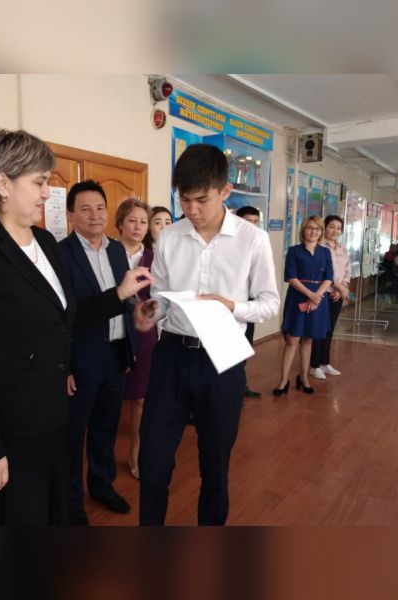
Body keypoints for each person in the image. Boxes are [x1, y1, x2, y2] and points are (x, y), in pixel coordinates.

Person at [0, 130, 151, 525]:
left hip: (48, 417)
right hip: (1, 426)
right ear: (2, 183)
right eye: (40, 182)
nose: (48, 193)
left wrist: (119, 294)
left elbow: (67, 316)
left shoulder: (45, 243)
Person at [134, 144, 279, 525]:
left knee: (214, 468)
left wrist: (232, 306)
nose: (192, 210)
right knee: (152, 463)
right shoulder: (169, 237)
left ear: (225, 191)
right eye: (184, 200)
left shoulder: (252, 239)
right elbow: (161, 297)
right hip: (172, 355)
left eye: (202, 200)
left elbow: (269, 303)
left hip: (222, 358)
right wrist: (151, 311)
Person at [59, 180, 140, 526]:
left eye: (100, 208)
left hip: (115, 355)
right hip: (81, 359)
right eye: (85, 209)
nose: (95, 215)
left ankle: (102, 486)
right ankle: (71, 500)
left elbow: (126, 300)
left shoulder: (117, 250)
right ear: (71, 215)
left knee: (106, 429)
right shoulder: (60, 254)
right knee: (73, 435)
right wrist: (64, 368)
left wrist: (133, 332)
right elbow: (64, 316)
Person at [115, 198, 158, 480]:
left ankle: (136, 451)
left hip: (144, 333)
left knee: (141, 397)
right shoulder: (107, 252)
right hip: (111, 330)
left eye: (143, 222)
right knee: (110, 396)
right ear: (120, 223)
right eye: (132, 220)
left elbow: (162, 295)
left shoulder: (155, 258)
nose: (138, 226)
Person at [273, 216, 333, 397]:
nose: (314, 232)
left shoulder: (325, 252)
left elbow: (329, 277)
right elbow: (291, 277)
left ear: (321, 232)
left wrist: (317, 296)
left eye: (317, 229)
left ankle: (304, 378)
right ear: (303, 230)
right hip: (298, 297)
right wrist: (310, 295)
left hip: (318, 299)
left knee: (308, 340)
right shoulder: (294, 251)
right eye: (310, 228)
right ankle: (284, 380)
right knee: (292, 339)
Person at [309, 215, 352, 380]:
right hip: (322, 292)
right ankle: (314, 365)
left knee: (329, 329)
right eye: (332, 227)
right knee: (319, 329)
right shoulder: (319, 247)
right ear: (325, 228)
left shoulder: (342, 248)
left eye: (338, 228)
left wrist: (342, 288)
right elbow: (324, 271)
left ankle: (324, 362)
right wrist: (339, 288)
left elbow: (347, 270)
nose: (335, 231)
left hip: (337, 294)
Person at [235, 205, 263, 398]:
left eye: (255, 222)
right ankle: (232, 388)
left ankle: (240, 384)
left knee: (245, 345)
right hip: (230, 305)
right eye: (248, 221)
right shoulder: (228, 244)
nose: (252, 226)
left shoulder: (258, 245)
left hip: (249, 305)